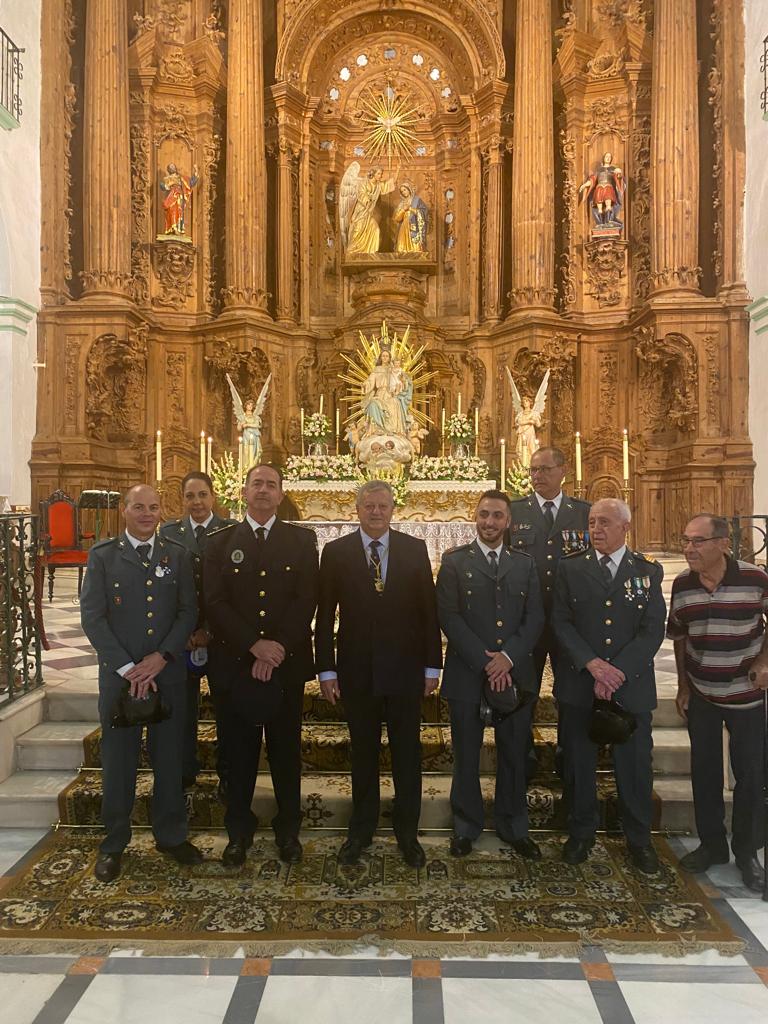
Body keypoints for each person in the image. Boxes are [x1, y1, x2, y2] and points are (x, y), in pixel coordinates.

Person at [315, 480, 442, 868]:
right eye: (368, 506)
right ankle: (361, 830)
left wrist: (432, 665)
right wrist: (325, 670)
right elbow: (324, 618)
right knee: (363, 755)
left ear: (392, 509)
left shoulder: (414, 548)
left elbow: (427, 613)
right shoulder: (335, 552)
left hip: (404, 672)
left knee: (407, 756)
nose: (375, 512)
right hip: (357, 672)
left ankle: (408, 833)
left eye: (382, 505)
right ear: (357, 509)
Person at [80, 484, 201, 882]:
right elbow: (93, 618)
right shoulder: (102, 557)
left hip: (166, 675)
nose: (147, 514)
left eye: (153, 507)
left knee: (170, 761)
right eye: (138, 507)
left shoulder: (177, 555)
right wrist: (127, 668)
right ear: (123, 510)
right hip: (120, 681)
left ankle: (171, 836)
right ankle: (113, 843)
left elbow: (187, 611)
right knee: (119, 764)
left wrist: (161, 657)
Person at [204, 464, 318, 867]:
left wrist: (277, 647)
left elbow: (307, 600)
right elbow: (215, 602)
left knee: (286, 752)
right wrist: (255, 645)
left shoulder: (302, 541)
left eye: (271, 484)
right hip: (235, 665)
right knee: (238, 753)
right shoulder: (219, 542)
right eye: (258, 484)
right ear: (244, 491)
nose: (264, 490)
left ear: (282, 492)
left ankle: (289, 829)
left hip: (284, 666)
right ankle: (239, 831)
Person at [551, 498, 666, 873]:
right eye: (591, 522)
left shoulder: (647, 571)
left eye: (604, 522)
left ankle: (639, 840)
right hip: (581, 684)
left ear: (625, 528)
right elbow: (561, 621)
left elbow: (652, 629)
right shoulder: (570, 568)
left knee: (634, 768)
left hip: (629, 687)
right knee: (579, 764)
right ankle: (581, 834)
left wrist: (617, 671)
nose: (595, 529)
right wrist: (593, 665)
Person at [436, 490, 545, 858]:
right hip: (468, 674)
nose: (490, 522)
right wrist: (487, 661)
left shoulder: (525, 564)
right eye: (484, 514)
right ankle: (466, 827)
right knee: (466, 755)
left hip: (515, 674)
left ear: (509, 521)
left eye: (498, 516)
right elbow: (448, 615)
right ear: (475, 517)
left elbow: (535, 618)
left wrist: (508, 658)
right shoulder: (453, 562)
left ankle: (513, 825)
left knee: (513, 753)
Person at [668, 514, 768, 892]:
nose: (688, 548)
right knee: (705, 772)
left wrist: (763, 661)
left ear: (723, 543)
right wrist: (682, 687)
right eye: (686, 540)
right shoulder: (682, 583)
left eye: (698, 541)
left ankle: (747, 852)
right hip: (703, 692)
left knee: (750, 776)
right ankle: (712, 845)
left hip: (745, 695)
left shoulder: (755, 578)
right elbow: (678, 636)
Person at [509, 447, 591, 777]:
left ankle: (566, 750)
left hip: (569, 621)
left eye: (544, 469)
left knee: (570, 691)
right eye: (533, 470)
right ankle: (522, 752)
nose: (537, 476)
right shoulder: (515, 511)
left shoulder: (583, 512)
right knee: (524, 689)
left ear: (563, 471)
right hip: (527, 620)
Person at [159, 472, 232, 791]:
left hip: (221, 634)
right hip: (182, 637)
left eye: (203, 495)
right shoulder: (169, 533)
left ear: (213, 497)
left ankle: (228, 771)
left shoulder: (230, 532)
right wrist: (184, 632)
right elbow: (164, 586)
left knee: (227, 707)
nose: (197, 502)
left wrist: (209, 630)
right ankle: (185, 768)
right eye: (190, 496)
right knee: (182, 709)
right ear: (182, 500)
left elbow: (233, 590)